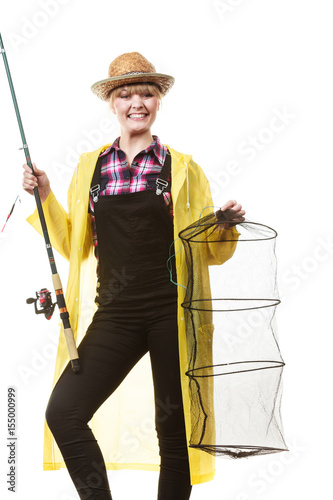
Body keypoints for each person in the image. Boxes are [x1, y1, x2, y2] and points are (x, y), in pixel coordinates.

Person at [22, 52, 245, 500]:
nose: (136, 102)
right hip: (117, 314)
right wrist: (44, 195)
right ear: (113, 104)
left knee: (173, 429)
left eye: (146, 93)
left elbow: (205, 252)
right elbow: (73, 245)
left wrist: (225, 225)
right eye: (125, 94)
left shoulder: (182, 169)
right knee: (64, 411)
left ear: (158, 100)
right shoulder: (92, 168)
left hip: (171, 313)